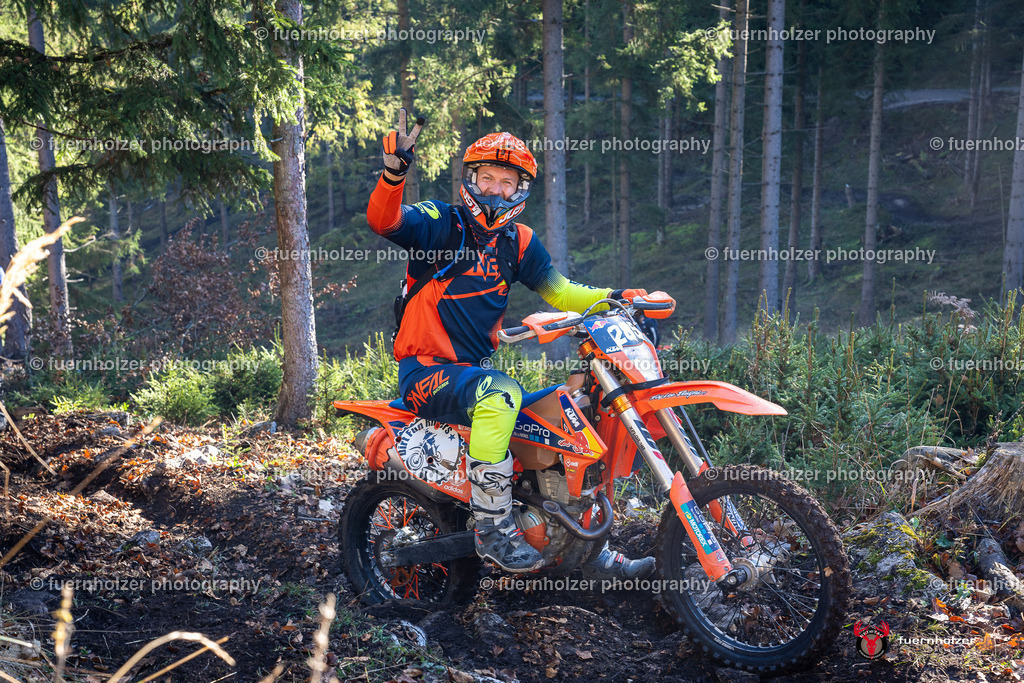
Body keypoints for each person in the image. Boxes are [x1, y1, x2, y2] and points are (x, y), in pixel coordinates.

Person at [367, 109, 662, 577]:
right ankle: (491, 529)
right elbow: (385, 221)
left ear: (520, 191)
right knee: (500, 391)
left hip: (473, 377)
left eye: (507, 182)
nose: (496, 189)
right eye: (488, 177)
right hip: (425, 372)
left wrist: (617, 298)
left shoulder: (518, 242)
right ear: (472, 179)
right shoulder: (443, 223)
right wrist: (393, 174)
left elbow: (562, 292)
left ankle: (584, 548)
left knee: (574, 415)